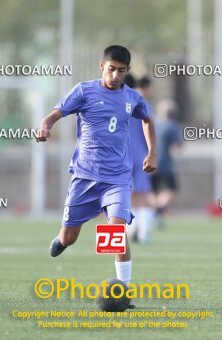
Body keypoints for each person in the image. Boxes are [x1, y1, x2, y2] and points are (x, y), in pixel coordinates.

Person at [36, 45, 157, 286]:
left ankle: (124, 288)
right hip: (85, 176)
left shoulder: (132, 97)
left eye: (121, 71)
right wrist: (45, 126)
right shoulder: (84, 91)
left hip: (117, 178)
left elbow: (147, 119)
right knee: (70, 237)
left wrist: (152, 152)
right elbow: (55, 114)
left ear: (127, 71)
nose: (115, 76)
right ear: (102, 66)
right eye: (111, 69)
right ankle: (62, 240)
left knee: (115, 231)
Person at [126, 75, 156, 244]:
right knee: (143, 195)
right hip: (141, 155)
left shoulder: (114, 104)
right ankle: (143, 232)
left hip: (121, 157)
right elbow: (151, 130)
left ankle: (131, 228)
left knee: (125, 194)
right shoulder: (142, 103)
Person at [150, 99, 182, 228]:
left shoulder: (153, 123)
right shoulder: (173, 126)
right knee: (171, 189)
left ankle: (155, 213)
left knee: (152, 191)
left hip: (150, 162)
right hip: (164, 164)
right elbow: (178, 146)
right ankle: (158, 208)